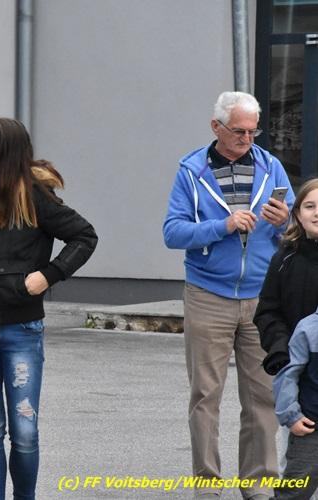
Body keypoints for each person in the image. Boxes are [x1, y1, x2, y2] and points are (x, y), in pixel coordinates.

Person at [0, 117, 97, 500]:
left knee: (25, 430)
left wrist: (47, 276)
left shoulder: (34, 194)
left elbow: (84, 236)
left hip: (23, 330)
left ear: (8, 153)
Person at [163, 91, 294, 500]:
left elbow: (295, 231)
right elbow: (172, 232)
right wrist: (222, 226)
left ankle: (258, 485)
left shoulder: (271, 167)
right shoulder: (192, 170)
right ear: (215, 126)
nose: (247, 139)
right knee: (205, 395)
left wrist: (284, 221)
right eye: (239, 131)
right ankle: (207, 485)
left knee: (263, 396)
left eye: (254, 131)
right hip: (208, 294)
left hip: (262, 297)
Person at [255, 178, 318, 486]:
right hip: (297, 376)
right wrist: (280, 349)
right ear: (296, 214)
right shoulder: (285, 258)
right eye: (310, 206)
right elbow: (267, 311)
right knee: (296, 466)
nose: (317, 213)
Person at [271, 309, 318, 500]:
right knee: (295, 490)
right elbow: (287, 376)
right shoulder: (309, 328)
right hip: (311, 428)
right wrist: (291, 415)